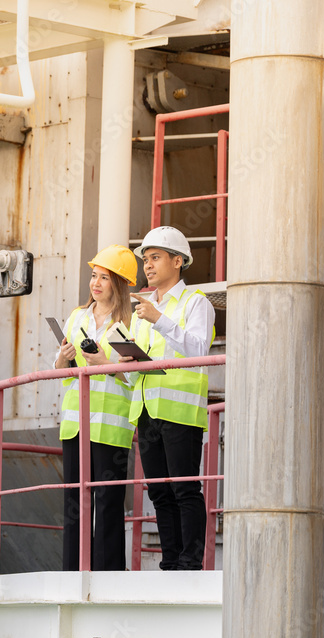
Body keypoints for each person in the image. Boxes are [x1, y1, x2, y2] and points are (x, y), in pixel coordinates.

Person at [128, 226, 215, 571]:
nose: (147, 266)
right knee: (160, 493)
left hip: (180, 410)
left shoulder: (197, 303)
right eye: (146, 260)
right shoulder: (144, 311)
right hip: (147, 409)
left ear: (178, 262)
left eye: (155, 258)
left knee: (184, 489)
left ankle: (190, 564)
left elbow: (197, 348)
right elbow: (142, 363)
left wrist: (159, 319)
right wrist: (123, 362)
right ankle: (170, 563)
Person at [54, 244, 138, 571]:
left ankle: (108, 575)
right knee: (75, 501)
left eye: (104, 277)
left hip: (111, 426)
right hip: (76, 424)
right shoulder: (78, 316)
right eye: (94, 276)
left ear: (118, 284)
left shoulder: (132, 320)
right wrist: (62, 359)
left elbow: (137, 374)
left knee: (107, 504)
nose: (96, 283)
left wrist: (106, 363)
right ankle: (72, 572)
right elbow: (62, 370)